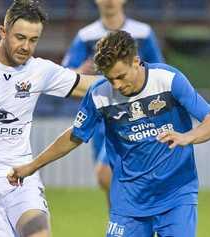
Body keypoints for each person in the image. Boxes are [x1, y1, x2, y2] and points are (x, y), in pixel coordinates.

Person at [8, 31, 210, 237]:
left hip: (176, 195)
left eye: (121, 76)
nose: (117, 86)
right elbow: (75, 135)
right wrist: (31, 166)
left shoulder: (168, 79)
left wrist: (186, 137)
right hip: (128, 202)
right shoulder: (100, 93)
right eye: (111, 79)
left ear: (136, 61)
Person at [0, 1, 97, 237]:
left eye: (33, 40)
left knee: (39, 234)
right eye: (20, 37)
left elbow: (88, 86)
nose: (26, 46)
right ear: (3, 31)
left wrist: (141, 77)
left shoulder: (39, 70)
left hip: (20, 176)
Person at [62, 0, 164, 203]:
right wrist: (81, 72)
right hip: (102, 117)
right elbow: (65, 77)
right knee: (110, 183)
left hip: (135, 115)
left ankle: (137, 220)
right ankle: (123, 227)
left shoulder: (142, 32)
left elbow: (159, 71)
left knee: (107, 174)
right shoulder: (86, 35)